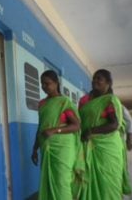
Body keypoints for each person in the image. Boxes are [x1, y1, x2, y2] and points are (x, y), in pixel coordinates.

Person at [78, 69, 132, 199]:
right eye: (94, 78)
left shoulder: (110, 100)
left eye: (99, 79)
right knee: (90, 181)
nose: (95, 81)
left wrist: (91, 131)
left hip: (108, 148)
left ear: (108, 83)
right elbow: (80, 121)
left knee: (109, 183)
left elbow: (114, 124)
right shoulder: (85, 101)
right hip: (88, 146)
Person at [31, 70, 83, 200]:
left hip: (63, 148)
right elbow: (41, 127)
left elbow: (76, 125)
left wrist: (55, 130)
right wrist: (34, 149)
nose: (44, 86)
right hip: (46, 147)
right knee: (49, 181)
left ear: (56, 83)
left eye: (47, 83)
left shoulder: (64, 103)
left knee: (62, 181)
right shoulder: (42, 104)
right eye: (42, 84)